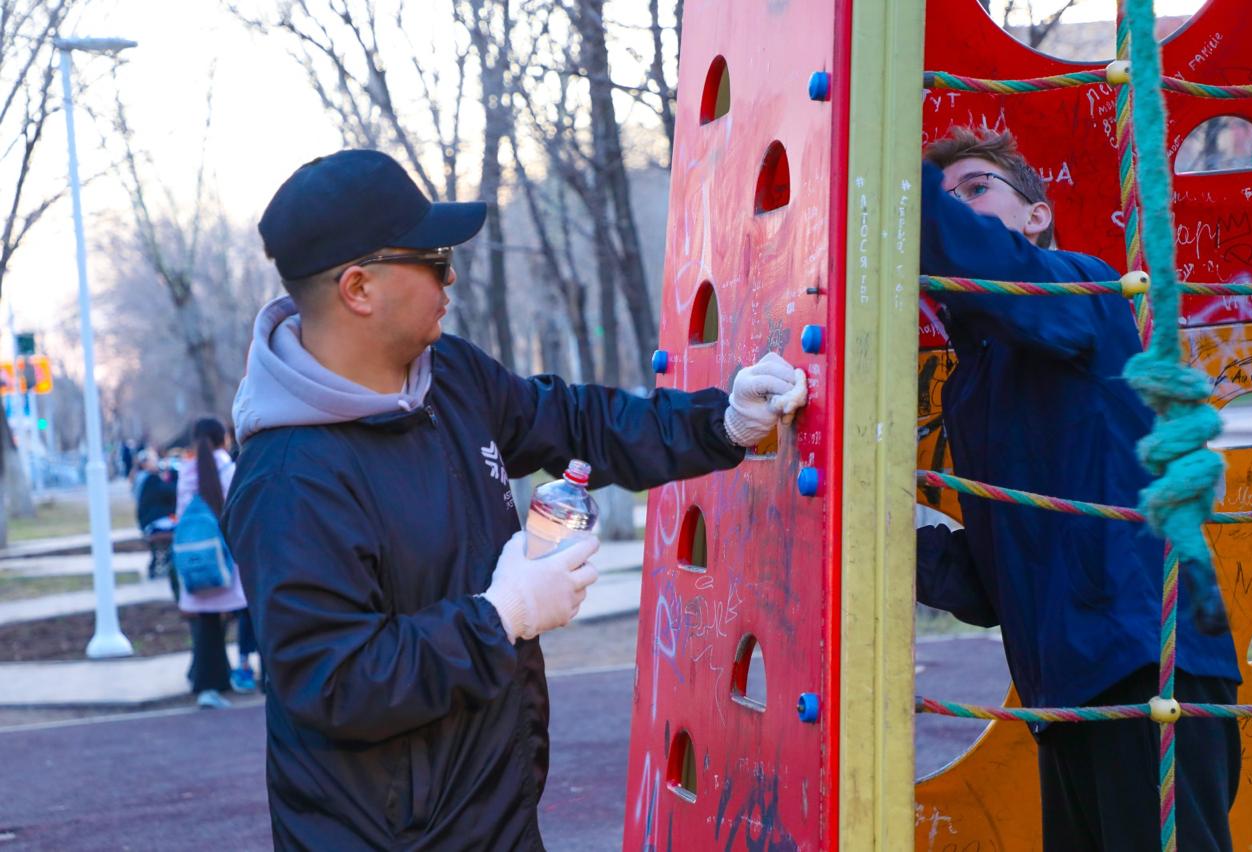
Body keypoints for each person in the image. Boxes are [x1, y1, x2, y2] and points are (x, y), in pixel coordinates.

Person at [221, 149, 806, 850]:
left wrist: (722, 422)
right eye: (434, 259)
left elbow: (577, 422)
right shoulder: (288, 478)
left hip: (498, 814)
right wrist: (503, 616)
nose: (453, 276)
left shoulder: (452, 377)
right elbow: (338, 681)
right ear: (358, 288)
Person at [914, 126, 1241, 851]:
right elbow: (1000, 573)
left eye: (975, 189)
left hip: (1151, 658)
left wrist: (905, 184)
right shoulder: (970, 386)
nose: (957, 208)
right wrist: (888, 547)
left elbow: (1005, 279)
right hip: (1064, 688)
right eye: (946, 200)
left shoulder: (1080, 288)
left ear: (1036, 216)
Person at [176, 417, 258, 707]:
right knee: (247, 611)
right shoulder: (227, 467)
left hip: (195, 555)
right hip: (224, 554)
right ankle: (241, 672)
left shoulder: (186, 472)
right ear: (221, 438)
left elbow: (181, 515)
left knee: (206, 622)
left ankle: (209, 682)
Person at [133, 449, 178, 581]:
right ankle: (171, 562)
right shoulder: (150, 479)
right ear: (145, 463)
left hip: (148, 521)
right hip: (152, 523)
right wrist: (174, 475)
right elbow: (170, 491)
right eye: (153, 460)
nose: (157, 463)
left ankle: (165, 562)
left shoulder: (148, 478)